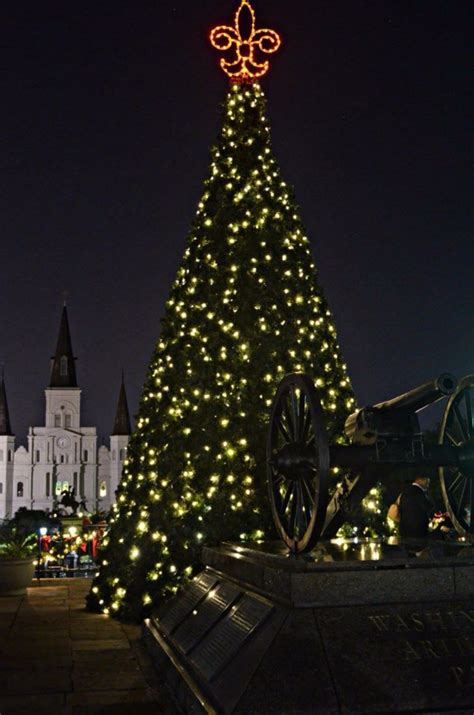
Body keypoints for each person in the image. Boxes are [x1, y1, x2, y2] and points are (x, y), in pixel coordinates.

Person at [398, 474, 433, 540]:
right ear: (419, 480)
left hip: (405, 530)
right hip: (418, 532)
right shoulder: (419, 493)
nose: (428, 484)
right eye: (426, 481)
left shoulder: (405, 492)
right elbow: (427, 507)